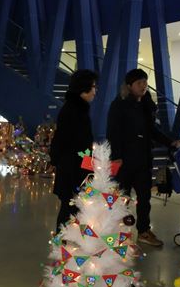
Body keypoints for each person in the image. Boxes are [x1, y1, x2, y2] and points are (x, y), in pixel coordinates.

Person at [107, 68, 173, 247]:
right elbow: (113, 132)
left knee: (144, 198)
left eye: (145, 82)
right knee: (123, 197)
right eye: (139, 83)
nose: (143, 86)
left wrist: (170, 142)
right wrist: (117, 156)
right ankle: (118, 232)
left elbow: (152, 130)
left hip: (143, 159)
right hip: (125, 160)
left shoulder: (146, 105)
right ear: (129, 86)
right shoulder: (119, 105)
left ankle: (143, 231)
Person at [49, 69, 98, 231]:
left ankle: (66, 244)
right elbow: (63, 142)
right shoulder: (73, 111)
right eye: (93, 87)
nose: (95, 91)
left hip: (76, 168)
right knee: (69, 209)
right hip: (72, 171)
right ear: (83, 88)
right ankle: (62, 245)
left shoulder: (78, 109)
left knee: (73, 208)